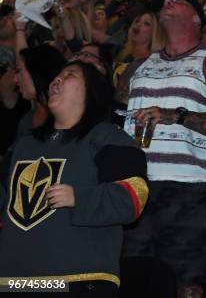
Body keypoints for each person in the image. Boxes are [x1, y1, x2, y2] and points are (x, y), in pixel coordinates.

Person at [121, 0, 206, 298]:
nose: (168, 2)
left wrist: (175, 115)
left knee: (184, 280)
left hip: (185, 187)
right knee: (133, 276)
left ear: (195, 18)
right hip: (135, 184)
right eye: (163, 1)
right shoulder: (141, 66)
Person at [0, 60, 149, 296]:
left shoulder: (109, 138)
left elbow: (133, 196)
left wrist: (79, 197)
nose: (56, 80)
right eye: (55, 76)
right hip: (13, 283)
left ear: (92, 91)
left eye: (70, 75)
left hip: (77, 280)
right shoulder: (22, 145)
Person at [14, 44, 66, 136]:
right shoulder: (26, 121)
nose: (15, 79)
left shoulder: (69, 116)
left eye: (19, 71)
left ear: (36, 71)